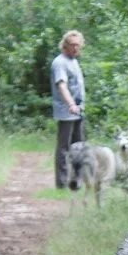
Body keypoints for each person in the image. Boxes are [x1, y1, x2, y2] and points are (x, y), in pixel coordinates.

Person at [51, 30, 87, 188]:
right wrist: (71, 104)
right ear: (65, 45)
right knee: (64, 149)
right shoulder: (60, 62)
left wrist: (78, 106)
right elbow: (62, 86)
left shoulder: (74, 61)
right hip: (67, 113)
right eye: (72, 45)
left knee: (79, 147)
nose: (75, 48)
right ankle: (62, 183)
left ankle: (76, 181)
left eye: (78, 45)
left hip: (78, 111)